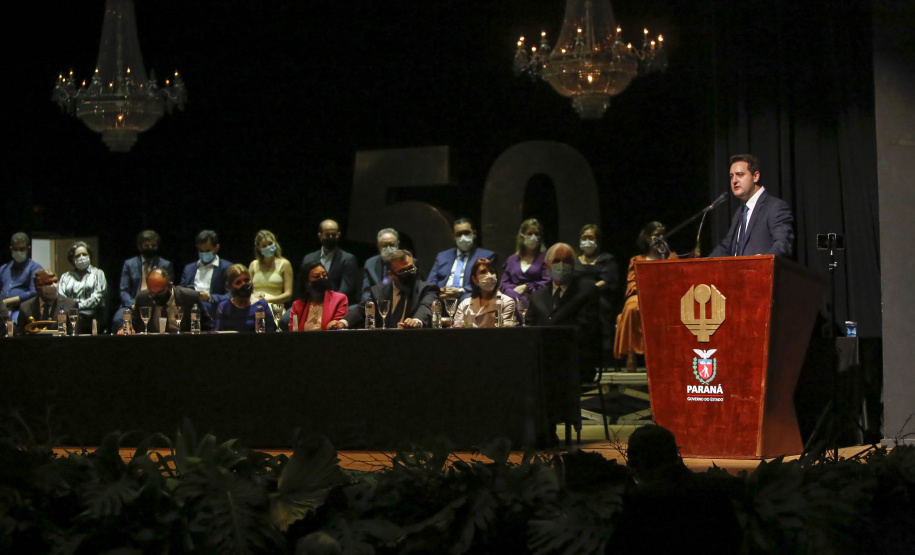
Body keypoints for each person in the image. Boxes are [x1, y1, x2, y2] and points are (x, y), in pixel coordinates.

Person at [526, 242, 600, 381]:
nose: (561, 265)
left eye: (566, 261)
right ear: (547, 265)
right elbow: (529, 328)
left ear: (573, 264)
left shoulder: (587, 290)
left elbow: (586, 330)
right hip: (542, 359)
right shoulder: (537, 296)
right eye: (556, 261)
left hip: (574, 358)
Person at [614, 222, 678, 371]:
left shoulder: (672, 258)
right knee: (631, 307)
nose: (659, 238)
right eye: (656, 235)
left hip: (664, 296)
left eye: (662, 235)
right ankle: (631, 355)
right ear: (647, 238)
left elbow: (677, 282)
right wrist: (645, 292)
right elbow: (632, 283)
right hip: (642, 295)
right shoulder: (637, 260)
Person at [708, 154, 795, 257]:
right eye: (731, 176)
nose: (734, 180)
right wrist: (702, 263)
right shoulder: (739, 212)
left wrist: (762, 262)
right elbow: (726, 247)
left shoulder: (775, 207)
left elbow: (782, 244)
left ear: (755, 176)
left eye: (740, 174)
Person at [332, 250, 439, 329]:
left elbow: (426, 306)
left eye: (411, 268)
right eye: (403, 271)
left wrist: (416, 321)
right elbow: (362, 309)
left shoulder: (427, 289)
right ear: (391, 274)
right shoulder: (379, 291)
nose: (409, 273)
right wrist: (342, 323)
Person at [573, 224, 620, 355]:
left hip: (600, 298)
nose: (587, 241)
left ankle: (603, 351)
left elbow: (608, 280)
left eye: (590, 238)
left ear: (597, 240)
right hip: (578, 299)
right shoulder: (575, 261)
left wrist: (590, 290)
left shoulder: (607, 260)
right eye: (584, 238)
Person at [115, 230, 174, 331]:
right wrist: (132, 304)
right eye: (147, 245)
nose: (150, 248)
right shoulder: (129, 264)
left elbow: (168, 289)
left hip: (156, 302)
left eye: (153, 245)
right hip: (132, 304)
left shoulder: (165, 264)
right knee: (118, 319)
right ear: (140, 246)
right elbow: (124, 290)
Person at [427, 218, 497, 301]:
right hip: (442, 296)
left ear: (474, 233)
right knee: (427, 298)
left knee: (466, 299)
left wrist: (461, 291)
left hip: (467, 296)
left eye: (466, 233)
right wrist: (439, 291)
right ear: (454, 236)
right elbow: (431, 281)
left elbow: (486, 281)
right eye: (459, 234)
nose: (463, 237)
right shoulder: (442, 256)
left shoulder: (486, 256)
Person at [129, 268, 213, 333]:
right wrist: (128, 328)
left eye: (160, 293)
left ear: (170, 286)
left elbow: (208, 326)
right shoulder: (143, 298)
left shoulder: (190, 298)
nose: (156, 297)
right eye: (152, 293)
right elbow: (133, 325)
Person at [298, 220, 361, 305]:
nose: (331, 237)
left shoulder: (348, 259)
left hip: (335, 304)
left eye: (334, 235)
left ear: (338, 234)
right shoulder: (309, 258)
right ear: (320, 235)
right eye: (327, 235)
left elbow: (345, 289)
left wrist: (327, 304)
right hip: (310, 302)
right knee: (289, 313)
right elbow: (303, 285)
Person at [179, 230, 233, 316]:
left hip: (213, 310)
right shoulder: (189, 269)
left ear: (216, 248)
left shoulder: (227, 268)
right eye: (201, 251)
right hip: (190, 309)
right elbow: (180, 293)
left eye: (207, 251)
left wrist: (209, 297)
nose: (204, 254)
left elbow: (231, 295)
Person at [58, 241, 107, 334]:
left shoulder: (98, 273)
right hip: (69, 313)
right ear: (72, 259)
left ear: (89, 256)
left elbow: (97, 297)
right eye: (77, 256)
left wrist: (76, 307)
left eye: (84, 254)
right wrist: (71, 308)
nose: (81, 257)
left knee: (77, 318)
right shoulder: (65, 276)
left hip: (90, 314)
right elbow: (61, 297)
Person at [453, 258, 517, 328]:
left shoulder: (507, 302)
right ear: (474, 279)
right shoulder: (464, 304)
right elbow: (457, 329)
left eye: (492, 272)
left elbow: (505, 331)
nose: (489, 276)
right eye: (483, 272)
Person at [214, 264, 276, 333]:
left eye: (247, 280)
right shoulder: (224, 307)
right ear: (231, 287)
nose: (244, 284)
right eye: (238, 282)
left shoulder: (261, 306)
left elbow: (271, 333)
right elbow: (218, 334)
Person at [288, 260, 348, 331]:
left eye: (324, 275)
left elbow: (337, 327)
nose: (322, 278)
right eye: (316, 276)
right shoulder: (297, 305)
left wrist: (335, 324)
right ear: (306, 282)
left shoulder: (339, 299)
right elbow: (293, 330)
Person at [16, 268, 78, 335]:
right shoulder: (25, 308)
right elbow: (20, 335)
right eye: (49, 283)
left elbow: (74, 335)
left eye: (55, 281)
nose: (54, 286)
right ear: (38, 288)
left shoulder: (70, 305)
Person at [248, 230, 293, 320]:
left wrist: (267, 300)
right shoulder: (253, 264)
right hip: (256, 306)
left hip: (276, 308)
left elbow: (288, 294)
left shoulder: (284, 264)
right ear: (258, 247)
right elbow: (247, 289)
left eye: (270, 243)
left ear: (275, 243)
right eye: (264, 246)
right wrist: (255, 298)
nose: (268, 247)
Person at [500, 218, 550, 298]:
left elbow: (547, 282)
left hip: (537, 299)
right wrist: (515, 291)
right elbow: (503, 284)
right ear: (522, 236)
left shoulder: (546, 258)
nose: (533, 237)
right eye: (530, 233)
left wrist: (526, 287)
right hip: (513, 300)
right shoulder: (512, 260)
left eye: (536, 234)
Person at [1, 232, 43, 323]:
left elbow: (34, 292)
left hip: (21, 309)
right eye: (15, 249)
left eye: (22, 249)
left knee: (14, 323)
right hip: (3, 308)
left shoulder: (34, 268)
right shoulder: (4, 268)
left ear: (28, 248)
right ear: (11, 249)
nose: (18, 252)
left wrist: (9, 301)